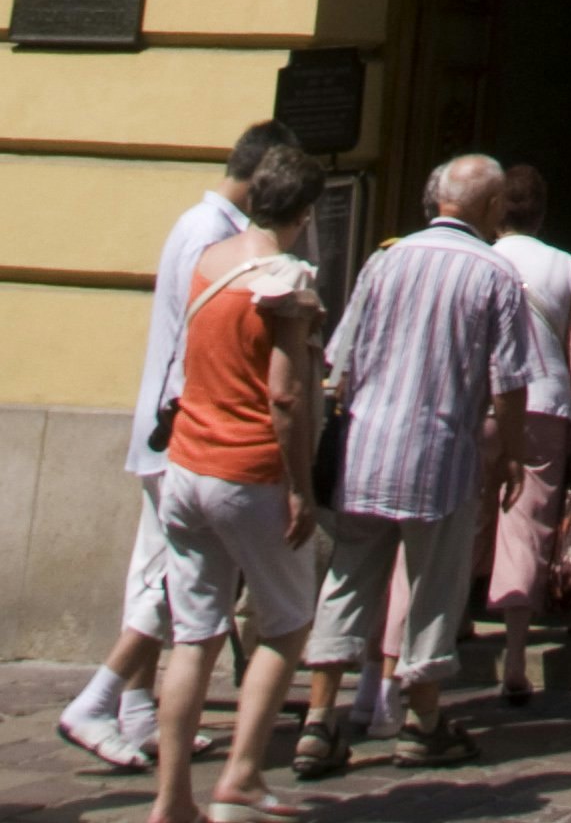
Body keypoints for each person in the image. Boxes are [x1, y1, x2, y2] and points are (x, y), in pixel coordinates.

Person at [60, 118, 303, 772]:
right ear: (261, 183)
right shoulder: (217, 235)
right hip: (196, 431)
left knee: (170, 585)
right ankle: (98, 698)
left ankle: (139, 714)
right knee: (168, 590)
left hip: (184, 427)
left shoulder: (201, 227)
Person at [292, 155, 531, 777]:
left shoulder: (384, 260)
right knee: (434, 589)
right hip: (440, 453)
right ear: (489, 207)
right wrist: (508, 452)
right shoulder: (495, 274)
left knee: (348, 581)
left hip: (367, 451)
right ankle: (423, 722)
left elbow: (340, 360)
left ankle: (319, 719)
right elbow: (508, 384)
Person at [145, 145, 326, 823]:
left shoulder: (209, 263)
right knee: (288, 623)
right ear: (305, 213)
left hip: (187, 465)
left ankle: (171, 801)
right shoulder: (287, 277)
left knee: (194, 635)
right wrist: (302, 490)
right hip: (248, 469)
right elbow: (284, 395)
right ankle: (243, 777)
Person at [489, 166, 571, 709]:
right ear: (541, 212)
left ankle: (441, 635)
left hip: (481, 403)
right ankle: (516, 657)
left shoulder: (480, 259)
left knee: (461, 522)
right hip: (545, 401)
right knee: (526, 526)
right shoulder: (565, 265)